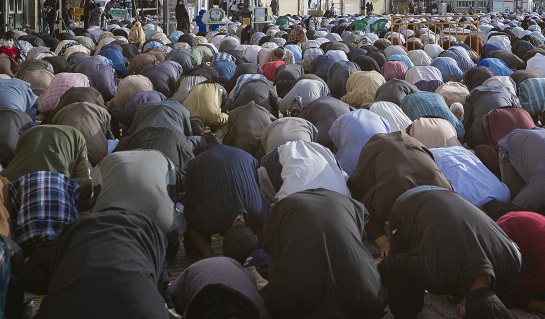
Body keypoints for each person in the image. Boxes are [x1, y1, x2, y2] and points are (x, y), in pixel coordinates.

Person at [378, 186, 521, 319]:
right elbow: (387, 267)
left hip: (449, 194)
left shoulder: (513, 259)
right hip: (409, 201)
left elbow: (505, 301)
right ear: (462, 309)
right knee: (410, 299)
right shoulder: (435, 269)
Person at [263, 189, 388, 318]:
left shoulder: (287, 301)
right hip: (359, 294)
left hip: (301, 295)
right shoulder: (369, 298)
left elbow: (271, 247)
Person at [34, 210, 171, 318]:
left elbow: (55, 273)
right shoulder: (153, 234)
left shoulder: (70, 235)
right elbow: (158, 293)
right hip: (139, 308)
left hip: (65, 308)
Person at [348, 131, 452, 257]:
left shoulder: (445, 191)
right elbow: (366, 210)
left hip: (412, 143)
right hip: (377, 148)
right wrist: (383, 241)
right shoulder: (386, 199)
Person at [181, 145, 268, 259]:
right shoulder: (210, 218)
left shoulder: (260, 213)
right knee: (192, 247)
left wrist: (208, 254)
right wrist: (207, 253)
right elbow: (190, 226)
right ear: (221, 243)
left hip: (244, 157)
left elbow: (260, 227)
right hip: (201, 163)